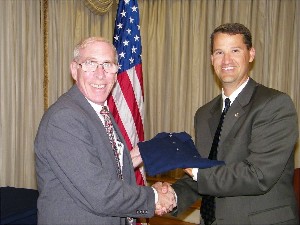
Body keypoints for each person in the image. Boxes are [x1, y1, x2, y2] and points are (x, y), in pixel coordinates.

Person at [132, 23, 299, 225]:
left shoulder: (274, 104)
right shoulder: (204, 114)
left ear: (251, 54)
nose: (226, 60)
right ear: (212, 59)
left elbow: (258, 175)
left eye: (235, 50)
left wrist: (193, 170)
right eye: (219, 52)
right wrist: (172, 196)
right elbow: (204, 171)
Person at [34, 37, 176, 225]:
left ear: (116, 73)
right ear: (74, 69)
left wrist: (139, 154)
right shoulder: (64, 118)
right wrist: (154, 197)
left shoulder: (99, 112)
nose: (100, 74)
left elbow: (106, 165)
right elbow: (99, 192)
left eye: (107, 65)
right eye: (91, 64)